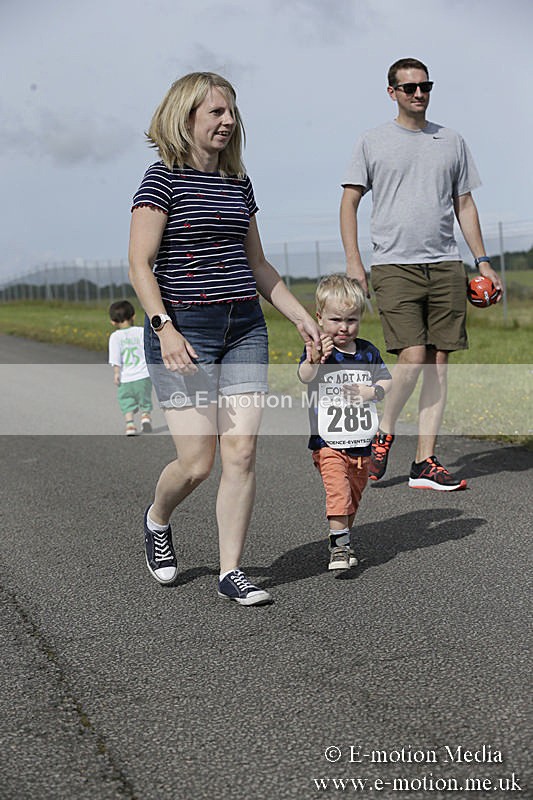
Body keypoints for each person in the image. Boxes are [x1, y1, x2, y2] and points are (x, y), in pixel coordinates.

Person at [128, 71, 322, 606]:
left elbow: (257, 263)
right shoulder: (162, 179)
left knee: (241, 452)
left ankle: (231, 570)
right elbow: (140, 264)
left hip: (245, 329)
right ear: (185, 116)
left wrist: (299, 317)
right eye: (216, 111)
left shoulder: (238, 182)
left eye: (231, 111)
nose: (228, 121)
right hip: (184, 331)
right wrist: (163, 327)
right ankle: (158, 517)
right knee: (197, 463)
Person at [340, 57, 503, 491]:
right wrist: (355, 262)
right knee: (412, 357)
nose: (418, 93)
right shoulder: (372, 141)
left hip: (446, 264)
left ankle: (424, 461)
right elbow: (349, 203)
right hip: (393, 265)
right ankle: (384, 431)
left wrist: (483, 261)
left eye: (425, 86)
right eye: (409, 87)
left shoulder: (451, 140)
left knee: (438, 365)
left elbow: (465, 204)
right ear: (392, 92)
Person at [298, 275, 391, 570]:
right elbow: (304, 376)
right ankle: (339, 548)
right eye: (336, 319)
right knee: (338, 492)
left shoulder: (367, 352)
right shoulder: (320, 352)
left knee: (352, 498)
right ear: (319, 318)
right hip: (328, 442)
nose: (344, 327)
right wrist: (314, 359)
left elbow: (387, 380)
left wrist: (373, 392)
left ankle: (343, 537)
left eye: (351, 320)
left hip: (361, 444)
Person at [108, 300, 153, 436]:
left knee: (126, 400)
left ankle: (130, 425)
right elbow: (148, 350)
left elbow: (115, 358)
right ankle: (145, 416)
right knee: (145, 398)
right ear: (133, 316)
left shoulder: (115, 337)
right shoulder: (141, 332)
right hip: (143, 374)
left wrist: (117, 373)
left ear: (113, 322)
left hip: (126, 377)